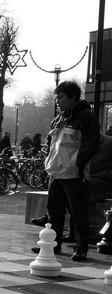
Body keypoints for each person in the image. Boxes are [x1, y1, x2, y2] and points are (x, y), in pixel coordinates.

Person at [30, 81, 100, 261]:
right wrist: (49, 162)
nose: (57, 101)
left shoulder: (87, 118)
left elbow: (91, 144)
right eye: (56, 98)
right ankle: (53, 244)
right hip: (55, 173)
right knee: (54, 211)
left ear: (73, 97)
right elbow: (51, 144)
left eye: (61, 97)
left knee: (78, 212)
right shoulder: (58, 119)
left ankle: (81, 248)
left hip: (74, 174)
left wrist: (77, 164)